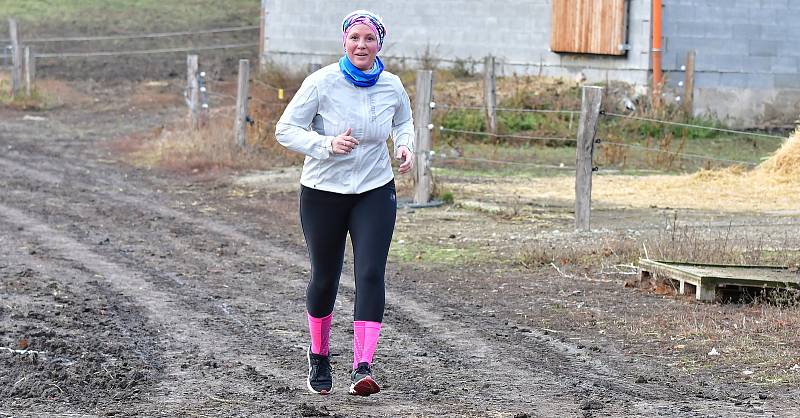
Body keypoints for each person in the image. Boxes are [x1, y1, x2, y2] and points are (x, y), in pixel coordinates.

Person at [275, 10, 414, 397]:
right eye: (355, 38)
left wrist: (405, 145)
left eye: (370, 39)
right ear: (344, 41)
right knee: (326, 276)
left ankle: (362, 366)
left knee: (370, 273)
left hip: (374, 188)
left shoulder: (391, 85)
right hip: (323, 191)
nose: (361, 45)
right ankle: (319, 354)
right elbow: (285, 130)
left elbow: (404, 121)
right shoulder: (321, 83)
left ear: (379, 44)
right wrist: (325, 145)